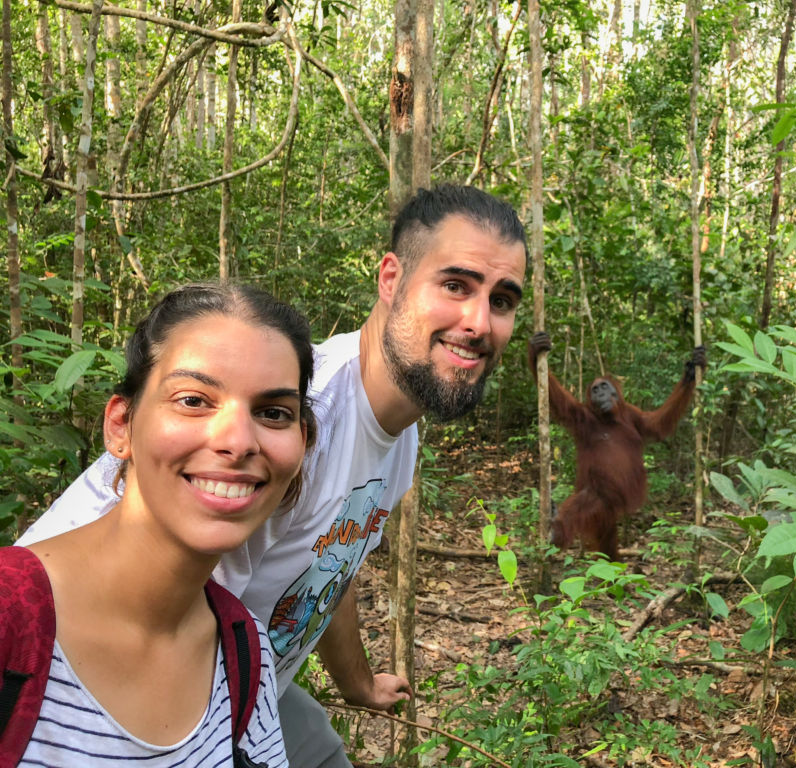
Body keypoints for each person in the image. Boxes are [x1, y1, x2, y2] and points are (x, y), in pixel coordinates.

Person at [19, 185, 529, 768]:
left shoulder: (400, 436)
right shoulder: (286, 425)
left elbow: (329, 566)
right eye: (455, 285)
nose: (478, 321)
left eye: (502, 300)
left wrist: (358, 684)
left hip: (252, 686)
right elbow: (165, 610)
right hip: (97, 686)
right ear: (391, 279)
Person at [5, 282, 318, 766]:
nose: (238, 441)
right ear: (121, 425)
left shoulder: (243, 649)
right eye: (193, 400)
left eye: (273, 413)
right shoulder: (11, 617)